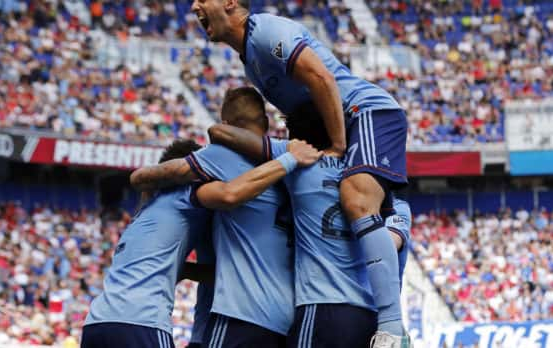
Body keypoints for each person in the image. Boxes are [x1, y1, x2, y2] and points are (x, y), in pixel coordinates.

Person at [190, 1, 409, 346]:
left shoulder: (266, 33)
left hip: (365, 114)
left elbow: (320, 76)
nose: (194, 6)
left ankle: (394, 327)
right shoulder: (251, 60)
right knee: (375, 211)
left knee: (357, 201)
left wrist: (336, 146)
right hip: (345, 128)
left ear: (230, 3)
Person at [130, 87, 320, 347]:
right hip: (287, 320)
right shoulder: (298, 167)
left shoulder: (222, 157)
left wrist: (144, 185)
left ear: (228, 126)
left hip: (239, 315)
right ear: (265, 123)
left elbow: (149, 175)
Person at [82, 140, 212, 348]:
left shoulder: (144, 211)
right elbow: (230, 194)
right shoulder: (189, 195)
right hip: (140, 322)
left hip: (96, 323)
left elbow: (169, 269)